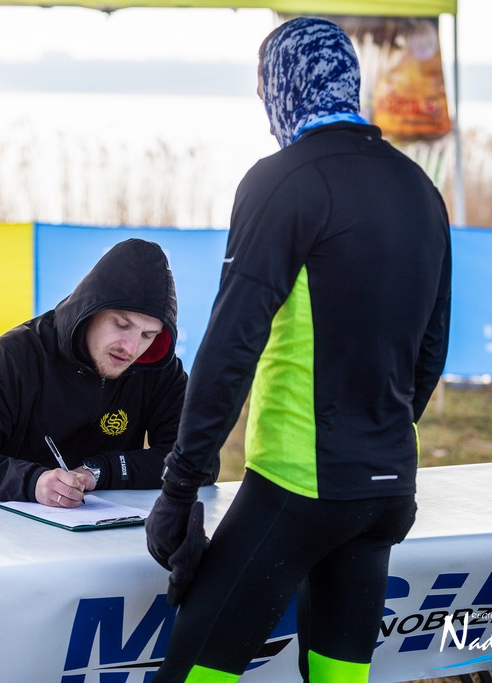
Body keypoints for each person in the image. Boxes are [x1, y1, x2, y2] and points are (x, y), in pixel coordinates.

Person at [145, 17, 452, 683]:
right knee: (338, 678)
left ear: (284, 87)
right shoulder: (420, 190)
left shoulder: (283, 181)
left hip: (297, 487)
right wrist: (375, 440)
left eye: (264, 93)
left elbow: (231, 345)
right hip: (386, 490)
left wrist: (180, 487)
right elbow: (432, 349)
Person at [0, 238, 212, 505]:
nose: (131, 347)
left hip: (93, 528)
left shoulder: (155, 367)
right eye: (121, 325)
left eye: (148, 335)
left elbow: (198, 461)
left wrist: (102, 470)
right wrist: (33, 483)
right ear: (91, 311)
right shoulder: (16, 356)